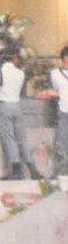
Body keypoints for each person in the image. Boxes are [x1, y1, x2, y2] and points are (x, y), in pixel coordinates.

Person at [0, 50, 39, 181]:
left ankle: (16, 170)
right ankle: (32, 169)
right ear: (14, 59)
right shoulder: (20, 73)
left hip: (5, 105)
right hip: (17, 105)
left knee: (9, 138)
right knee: (22, 138)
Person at [39, 45, 68, 178]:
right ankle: (63, 171)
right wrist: (46, 93)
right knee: (61, 143)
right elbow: (58, 92)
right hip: (64, 112)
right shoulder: (56, 74)